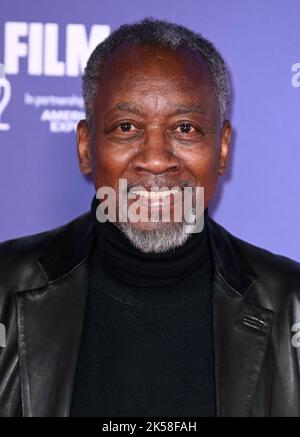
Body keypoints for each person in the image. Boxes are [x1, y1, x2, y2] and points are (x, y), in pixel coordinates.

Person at [0, 17, 300, 418]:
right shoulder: (3, 287)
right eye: (126, 127)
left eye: (185, 128)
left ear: (223, 148)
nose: (156, 160)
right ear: (86, 147)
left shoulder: (292, 304)